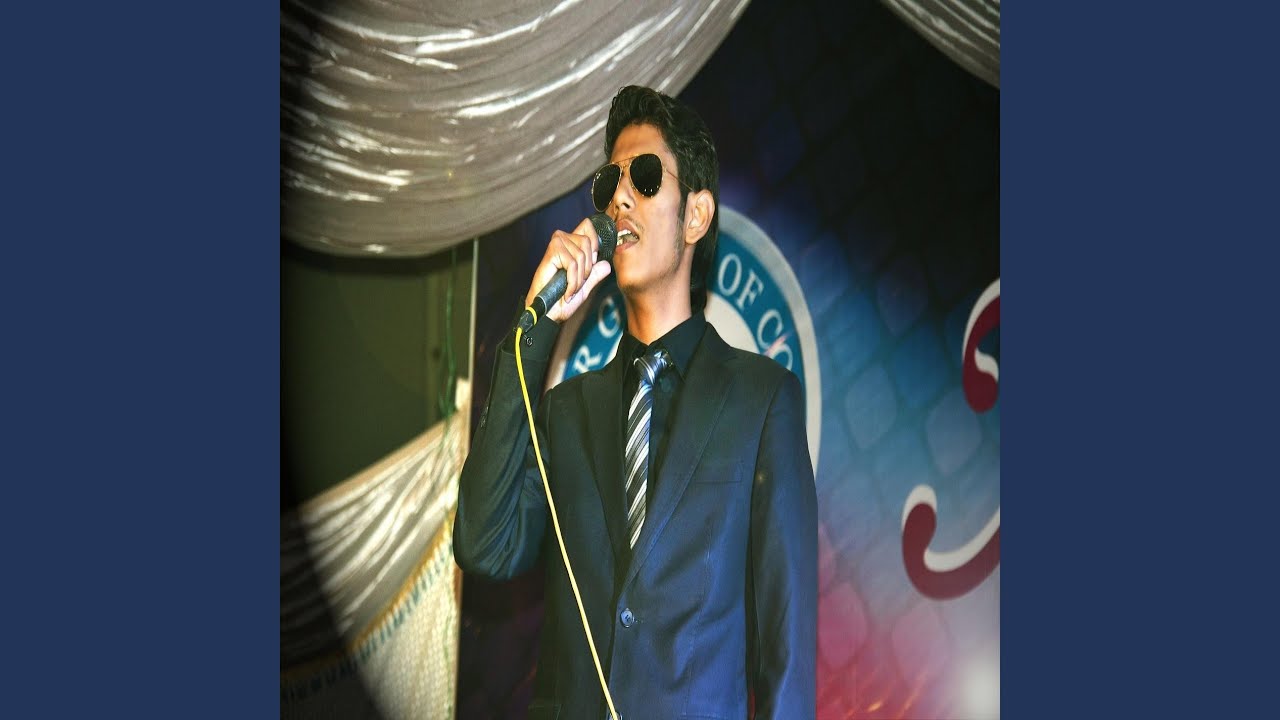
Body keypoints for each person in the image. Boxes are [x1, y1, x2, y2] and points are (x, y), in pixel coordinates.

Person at [454, 85, 816, 719]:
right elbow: (485, 544)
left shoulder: (762, 402)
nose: (619, 198)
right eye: (608, 185)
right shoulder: (567, 411)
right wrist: (534, 330)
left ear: (696, 216)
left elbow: (785, 657)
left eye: (645, 178)